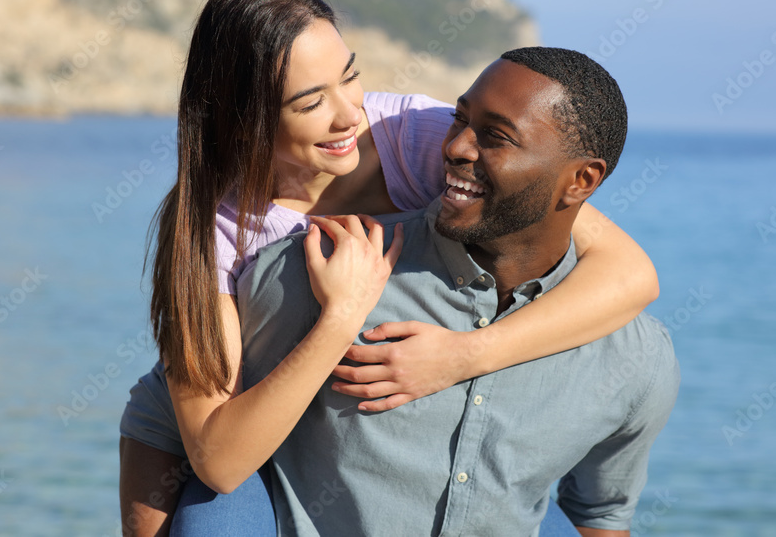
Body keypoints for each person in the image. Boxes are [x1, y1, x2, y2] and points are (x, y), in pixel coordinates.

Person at [118, 0, 659, 536]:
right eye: (310, 102)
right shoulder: (215, 226)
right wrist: (343, 314)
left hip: (328, 429)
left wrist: (464, 356)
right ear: (242, 117)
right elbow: (221, 458)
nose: (348, 114)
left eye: (349, 76)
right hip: (217, 432)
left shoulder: (414, 137)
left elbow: (630, 274)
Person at [228, 46, 680, 535]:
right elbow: (171, 432)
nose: (456, 148)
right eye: (458, 119)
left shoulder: (635, 360)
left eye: (496, 137)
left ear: (582, 180)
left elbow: (601, 514)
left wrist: (469, 355)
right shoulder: (312, 272)